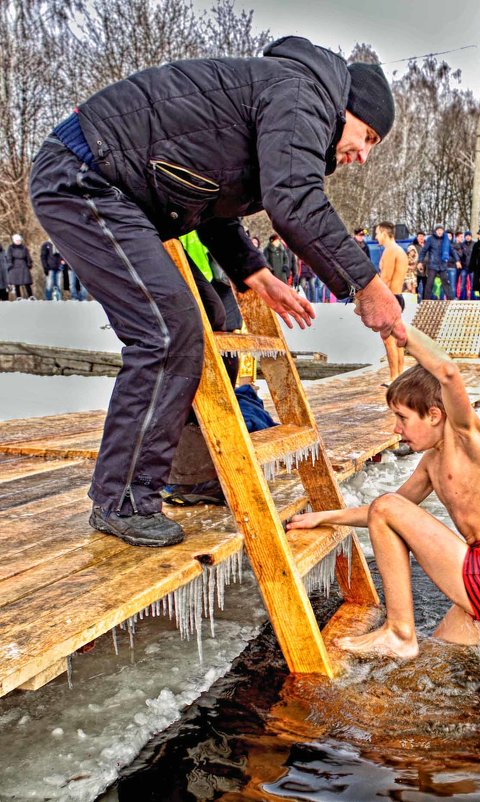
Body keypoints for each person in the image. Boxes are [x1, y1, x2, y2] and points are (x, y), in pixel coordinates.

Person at [30, 36, 401, 547]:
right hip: (84, 175)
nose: (362, 155)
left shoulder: (286, 99)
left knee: (211, 316)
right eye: (368, 137)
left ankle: (193, 472)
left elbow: (213, 204)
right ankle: (122, 498)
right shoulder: (305, 93)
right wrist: (367, 284)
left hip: (117, 189)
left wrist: (256, 274)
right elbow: (294, 201)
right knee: (166, 329)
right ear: (347, 110)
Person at [287, 323, 480, 657]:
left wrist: (397, 329)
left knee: (386, 506)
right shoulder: (432, 462)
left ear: (433, 414)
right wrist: (326, 517)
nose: (396, 429)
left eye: (401, 417)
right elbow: (382, 513)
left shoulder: (469, 439)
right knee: (437, 663)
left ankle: (399, 632)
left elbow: (447, 373)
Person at [376, 221, 408, 383]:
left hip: (390, 297)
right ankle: (400, 374)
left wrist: (376, 298)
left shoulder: (390, 251)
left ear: (383, 233)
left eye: (377, 233)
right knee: (397, 339)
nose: (376, 237)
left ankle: (394, 376)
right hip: (398, 296)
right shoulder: (400, 251)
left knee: (389, 340)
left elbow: (386, 278)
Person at [418, 225, 459, 300]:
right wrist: (420, 262)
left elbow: (452, 251)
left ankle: (451, 299)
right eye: (438, 230)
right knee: (429, 284)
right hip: (433, 265)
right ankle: (426, 300)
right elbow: (423, 251)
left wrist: (457, 260)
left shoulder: (446, 239)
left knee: (446, 283)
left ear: (443, 231)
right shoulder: (430, 239)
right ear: (435, 231)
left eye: (441, 230)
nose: (440, 232)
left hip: (442, 265)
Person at [6, 234, 34, 299]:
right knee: (16, 283)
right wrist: (10, 265)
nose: (18, 241)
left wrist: (29, 263)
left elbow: (28, 256)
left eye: (19, 240)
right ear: (14, 240)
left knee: (27, 282)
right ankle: (18, 297)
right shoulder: (10, 248)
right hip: (15, 266)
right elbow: (9, 257)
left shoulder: (24, 247)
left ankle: (31, 296)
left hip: (24, 266)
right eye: (17, 240)